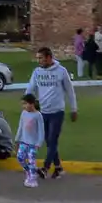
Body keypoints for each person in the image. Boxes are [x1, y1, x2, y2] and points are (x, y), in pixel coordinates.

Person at [23, 46, 77, 180]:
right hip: (43, 112)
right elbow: (30, 89)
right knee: (48, 141)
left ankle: (45, 168)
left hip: (57, 111)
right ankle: (58, 168)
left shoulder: (61, 71)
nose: (39, 61)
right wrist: (27, 105)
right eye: (38, 58)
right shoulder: (37, 72)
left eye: (41, 58)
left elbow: (70, 91)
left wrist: (74, 109)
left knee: (53, 140)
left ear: (49, 57)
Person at [16, 94, 45, 188]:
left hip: (33, 144)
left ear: (32, 103)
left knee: (32, 161)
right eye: (23, 104)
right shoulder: (24, 113)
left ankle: (32, 179)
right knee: (20, 157)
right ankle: (29, 171)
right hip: (23, 141)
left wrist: (38, 143)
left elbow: (41, 131)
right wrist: (17, 139)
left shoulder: (38, 115)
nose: (24, 106)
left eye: (25, 104)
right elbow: (20, 127)